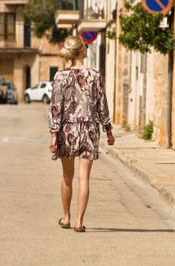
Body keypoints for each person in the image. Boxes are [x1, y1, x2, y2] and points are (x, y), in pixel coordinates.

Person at [48, 36, 115, 232]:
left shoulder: (60, 77)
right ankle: (79, 222)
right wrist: (109, 131)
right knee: (83, 178)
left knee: (67, 176)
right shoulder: (95, 75)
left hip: (67, 130)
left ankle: (66, 218)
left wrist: (53, 135)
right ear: (83, 51)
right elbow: (103, 106)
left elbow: (55, 108)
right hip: (89, 131)